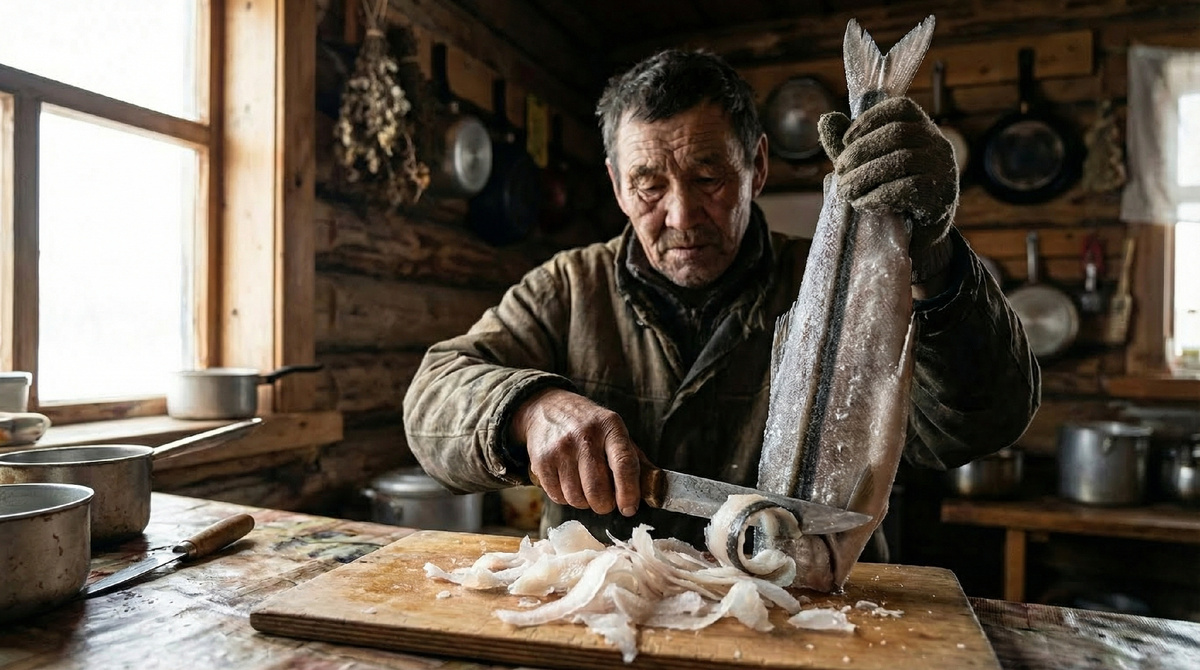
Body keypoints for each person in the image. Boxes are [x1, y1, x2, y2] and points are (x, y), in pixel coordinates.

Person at [403, 49, 1040, 549]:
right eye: (648, 186)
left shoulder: (832, 284)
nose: (682, 216)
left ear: (756, 166)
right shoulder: (568, 287)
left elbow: (980, 422)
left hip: (808, 622)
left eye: (708, 178)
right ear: (617, 189)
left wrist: (934, 258)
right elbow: (432, 397)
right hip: (612, 625)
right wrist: (529, 410)